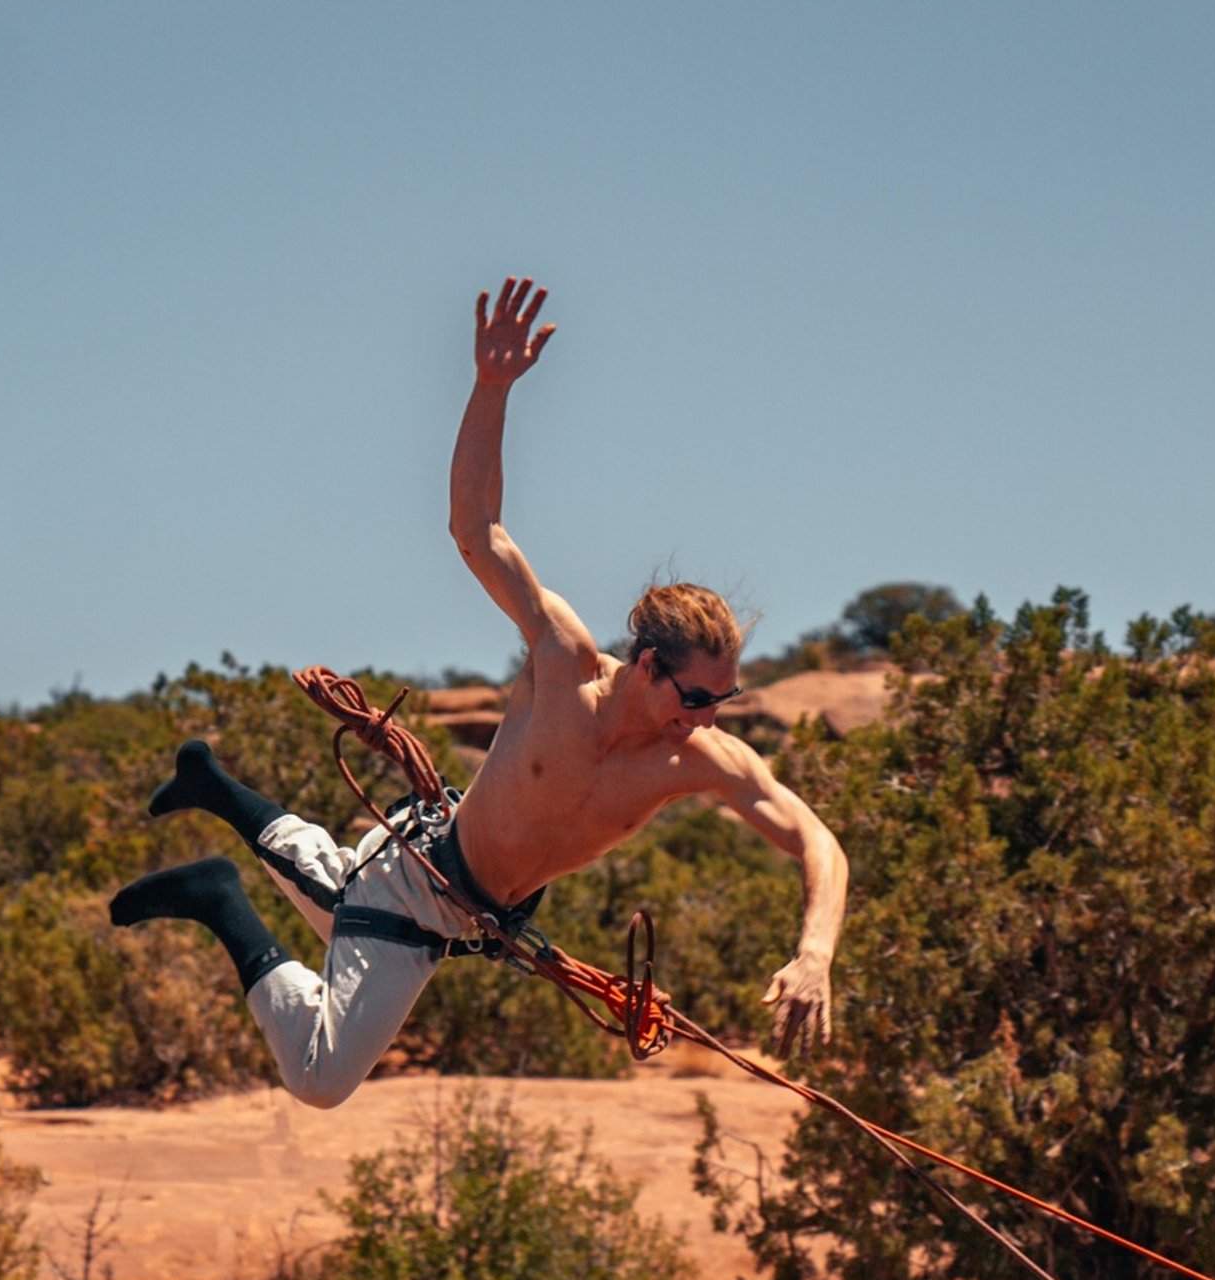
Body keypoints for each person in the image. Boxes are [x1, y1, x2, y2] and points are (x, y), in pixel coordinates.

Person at [110, 279, 849, 1107]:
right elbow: (477, 531)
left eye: (725, 698)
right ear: (646, 666)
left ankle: (209, 781)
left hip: (459, 898)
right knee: (321, 1077)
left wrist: (815, 951)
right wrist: (491, 388)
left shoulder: (698, 759)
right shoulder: (563, 662)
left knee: (335, 897)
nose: (711, 715)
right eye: (699, 695)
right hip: (424, 876)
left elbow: (817, 838)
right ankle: (218, 899)